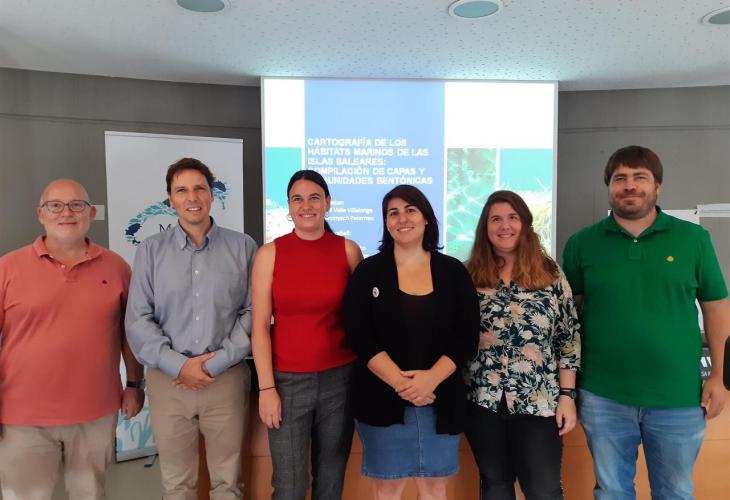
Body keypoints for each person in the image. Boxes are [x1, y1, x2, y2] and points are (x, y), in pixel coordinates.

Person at [562, 145, 730, 499]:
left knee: (675, 492)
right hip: (602, 395)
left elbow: (716, 309)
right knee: (612, 492)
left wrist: (719, 377)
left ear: (657, 186)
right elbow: (567, 320)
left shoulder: (694, 239)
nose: (629, 185)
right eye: (620, 178)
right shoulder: (581, 244)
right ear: (609, 187)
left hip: (678, 396)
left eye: (640, 177)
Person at [0, 179, 144, 500]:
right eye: (55, 205)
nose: (66, 213)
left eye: (76, 205)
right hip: (22, 417)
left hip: (95, 413)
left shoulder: (116, 268)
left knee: (90, 495)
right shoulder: (7, 268)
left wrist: (134, 385)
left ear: (91, 213)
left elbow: (130, 334)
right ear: (41, 214)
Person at [126, 158, 257, 500]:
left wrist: (215, 363)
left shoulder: (243, 247)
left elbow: (253, 312)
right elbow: (138, 318)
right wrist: (180, 365)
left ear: (212, 194)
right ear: (170, 199)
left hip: (225, 380)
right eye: (181, 190)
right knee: (176, 484)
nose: (192, 197)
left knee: (228, 482)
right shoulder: (151, 251)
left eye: (200, 188)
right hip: (169, 382)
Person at [343, 184, 479, 500]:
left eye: (410, 210)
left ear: (426, 218)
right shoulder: (368, 271)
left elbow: (466, 336)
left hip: (440, 397)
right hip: (381, 398)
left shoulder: (453, 271)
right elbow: (358, 334)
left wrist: (430, 380)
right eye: (393, 213)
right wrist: (402, 384)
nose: (402, 219)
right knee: (388, 487)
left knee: (434, 486)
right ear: (386, 222)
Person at [251, 169, 363, 500]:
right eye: (297, 199)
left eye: (314, 197)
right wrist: (266, 388)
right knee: (290, 486)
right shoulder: (269, 254)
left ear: (328, 202)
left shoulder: (348, 250)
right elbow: (259, 326)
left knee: (330, 480)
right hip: (286, 383)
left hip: (340, 381)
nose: (306, 205)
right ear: (288, 206)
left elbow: (364, 319)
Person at [462, 190, 581, 500]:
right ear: (485, 227)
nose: (505, 226)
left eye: (512, 217)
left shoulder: (550, 274)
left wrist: (567, 396)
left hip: (538, 401)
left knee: (543, 490)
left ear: (525, 223)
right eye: (496, 219)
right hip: (482, 401)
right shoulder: (468, 275)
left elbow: (567, 337)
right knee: (495, 486)